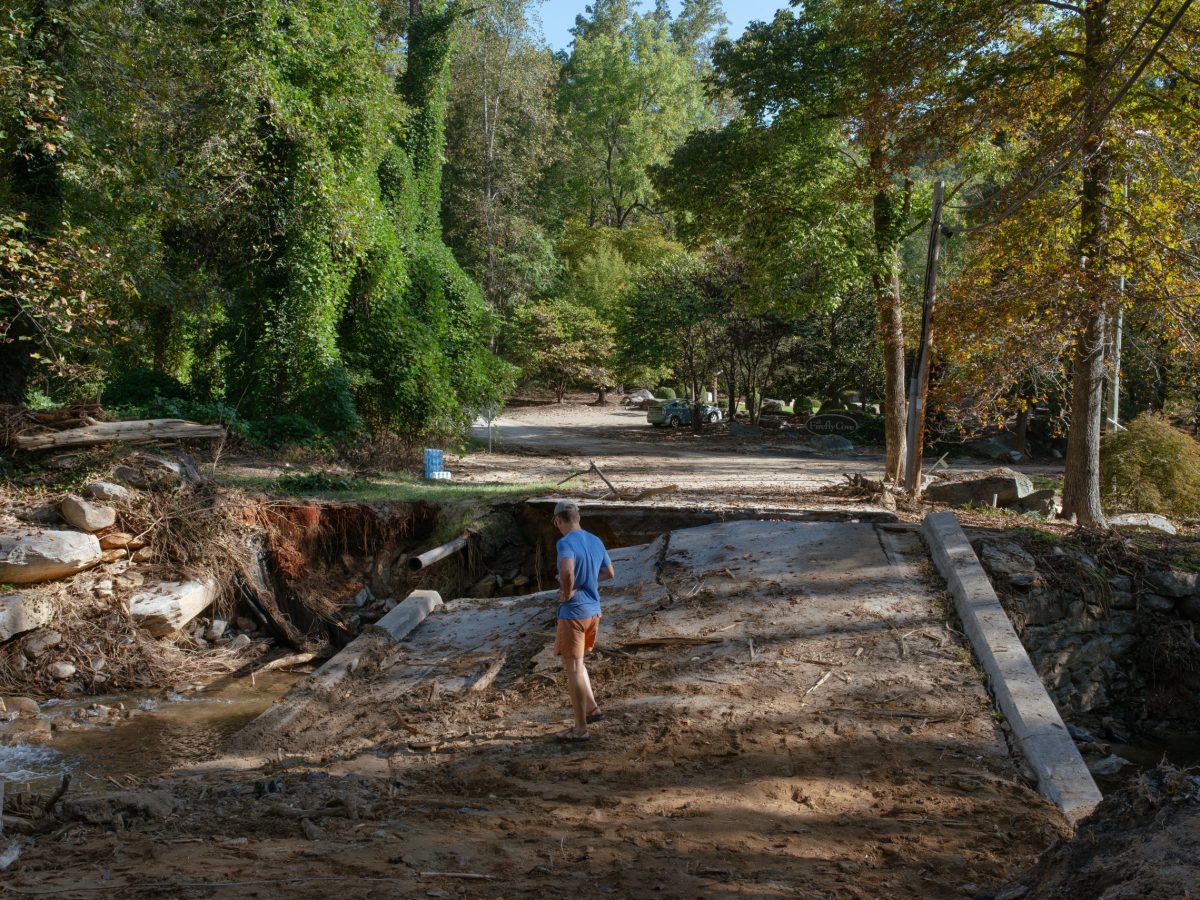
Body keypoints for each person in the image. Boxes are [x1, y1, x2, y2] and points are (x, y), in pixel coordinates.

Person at [551, 499, 614, 741]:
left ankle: (580, 729)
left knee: (574, 669)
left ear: (559, 520)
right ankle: (593, 709)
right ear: (578, 517)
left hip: (574, 613)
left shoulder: (565, 542)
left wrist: (567, 593)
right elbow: (609, 572)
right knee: (579, 664)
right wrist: (588, 582)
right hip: (593, 612)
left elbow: (567, 571)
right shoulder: (595, 540)